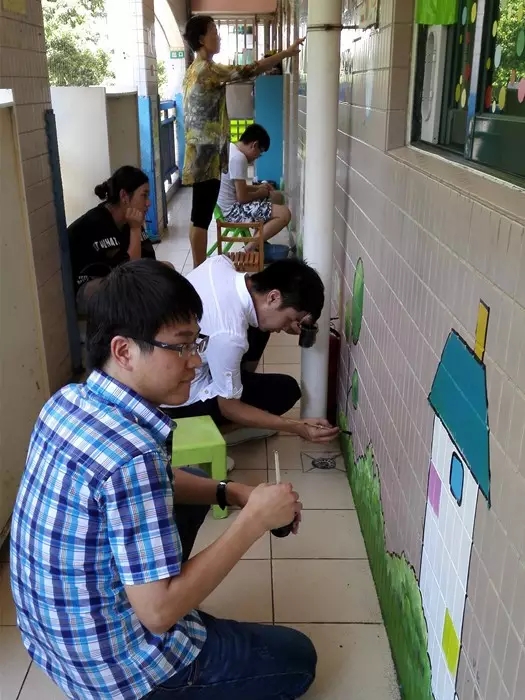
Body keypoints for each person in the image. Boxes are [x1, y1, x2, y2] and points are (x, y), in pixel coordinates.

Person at [10, 259, 317, 700]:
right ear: (124, 351)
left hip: (56, 647)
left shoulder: (66, 401)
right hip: (121, 672)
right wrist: (255, 520)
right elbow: (156, 615)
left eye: (196, 343)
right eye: (181, 346)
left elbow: (151, 480)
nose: (196, 360)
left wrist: (232, 492)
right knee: (298, 659)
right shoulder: (131, 455)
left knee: (193, 480)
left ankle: (172, 591)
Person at [163, 255, 340, 448]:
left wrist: (289, 322)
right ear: (273, 297)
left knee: (261, 326)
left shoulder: (219, 263)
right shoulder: (230, 335)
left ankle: (238, 386)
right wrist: (298, 427)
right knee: (286, 390)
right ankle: (218, 434)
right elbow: (228, 408)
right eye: (291, 319)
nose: (286, 327)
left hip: (176, 369)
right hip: (180, 401)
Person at [182, 15, 304, 268]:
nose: (218, 36)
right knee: (200, 219)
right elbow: (251, 69)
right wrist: (285, 54)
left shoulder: (194, 70)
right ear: (202, 39)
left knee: (199, 217)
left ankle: (198, 268)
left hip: (201, 154)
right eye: (214, 31)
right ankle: (199, 270)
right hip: (206, 156)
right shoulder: (206, 69)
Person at [68, 165, 170, 315]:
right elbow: (129, 274)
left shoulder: (130, 220)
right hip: (90, 290)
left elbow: (148, 264)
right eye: (144, 195)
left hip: (118, 284)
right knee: (129, 288)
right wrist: (135, 230)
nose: (148, 202)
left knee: (167, 270)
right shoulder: (95, 223)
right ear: (124, 196)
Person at [217, 123, 291, 252]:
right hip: (233, 213)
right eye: (260, 153)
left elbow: (238, 188)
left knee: (270, 200)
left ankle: (258, 244)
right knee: (284, 214)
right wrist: (262, 193)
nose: (257, 157)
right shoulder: (238, 158)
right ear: (254, 145)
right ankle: (248, 249)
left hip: (224, 208)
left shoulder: (230, 149)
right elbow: (242, 197)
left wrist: (258, 188)